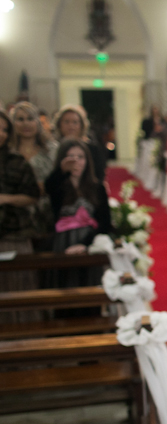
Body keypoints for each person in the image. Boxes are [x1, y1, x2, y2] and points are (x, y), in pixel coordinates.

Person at [0, 108, 41, 317]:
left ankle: (26, 338)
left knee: (18, 288)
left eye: (5, 130)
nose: (1, 134)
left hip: (15, 233)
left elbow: (33, 194)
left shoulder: (17, 160)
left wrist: (5, 199)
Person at [45, 139, 111, 256]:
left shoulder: (97, 187)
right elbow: (49, 188)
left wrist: (86, 244)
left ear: (87, 160)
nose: (76, 161)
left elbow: (105, 222)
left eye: (81, 157)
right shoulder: (58, 185)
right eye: (71, 156)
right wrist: (62, 172)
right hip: (63, 243)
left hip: (90, 244)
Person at [11, 102, 57, 240]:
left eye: (30, 119)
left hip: (47, 211)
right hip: (15, 215)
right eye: (20, 119)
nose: (26, 124)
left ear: (38, 122)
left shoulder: (52, 149)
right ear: (13, 123)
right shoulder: (8, 151)